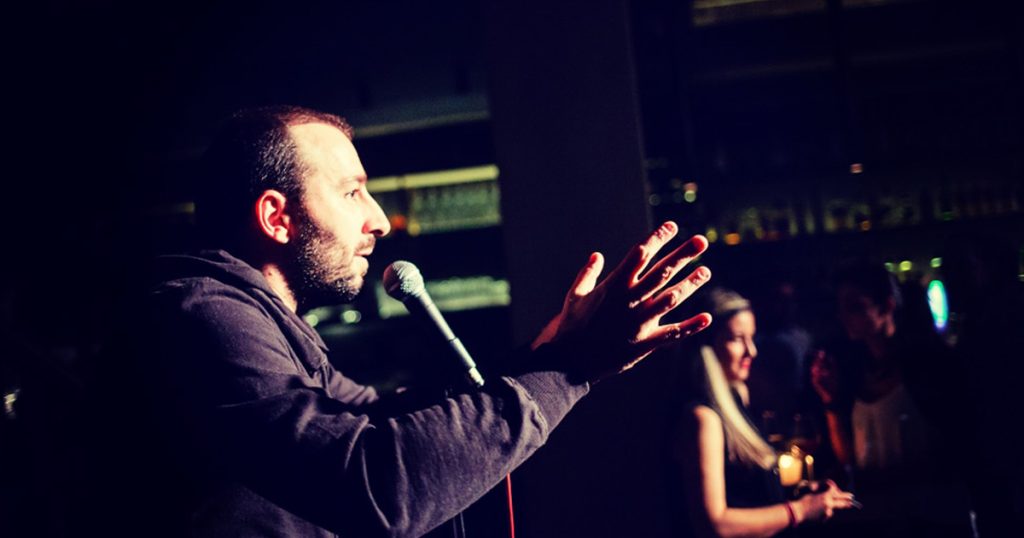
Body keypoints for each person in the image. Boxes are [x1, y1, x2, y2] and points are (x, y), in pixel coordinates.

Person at [82, 106, 716, 537]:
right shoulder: (200, 317)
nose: (379, 219)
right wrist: (572, 367)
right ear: (277, 218)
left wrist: (549, 353)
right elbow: (375, 483)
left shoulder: (258, 320)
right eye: (353, 191)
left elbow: (377, 419)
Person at [674, 288, 855, 538]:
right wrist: (799, 510)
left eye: (752, 338)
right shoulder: (703, 418)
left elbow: (741, 494)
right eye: (738, 339)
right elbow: (714, 524)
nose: (752, 351)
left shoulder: (735, 402)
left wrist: (796, 492)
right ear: (706, 346)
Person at [810, 262, 972, 536]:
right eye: (841, 307)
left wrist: (878, 481)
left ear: (886, 306)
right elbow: (852, 460)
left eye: (855, 306)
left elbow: (955, 452)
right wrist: (831, 402)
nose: (844, 316)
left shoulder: (927, 365)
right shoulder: (858, 369)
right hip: (881, 521)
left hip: (932, 522)